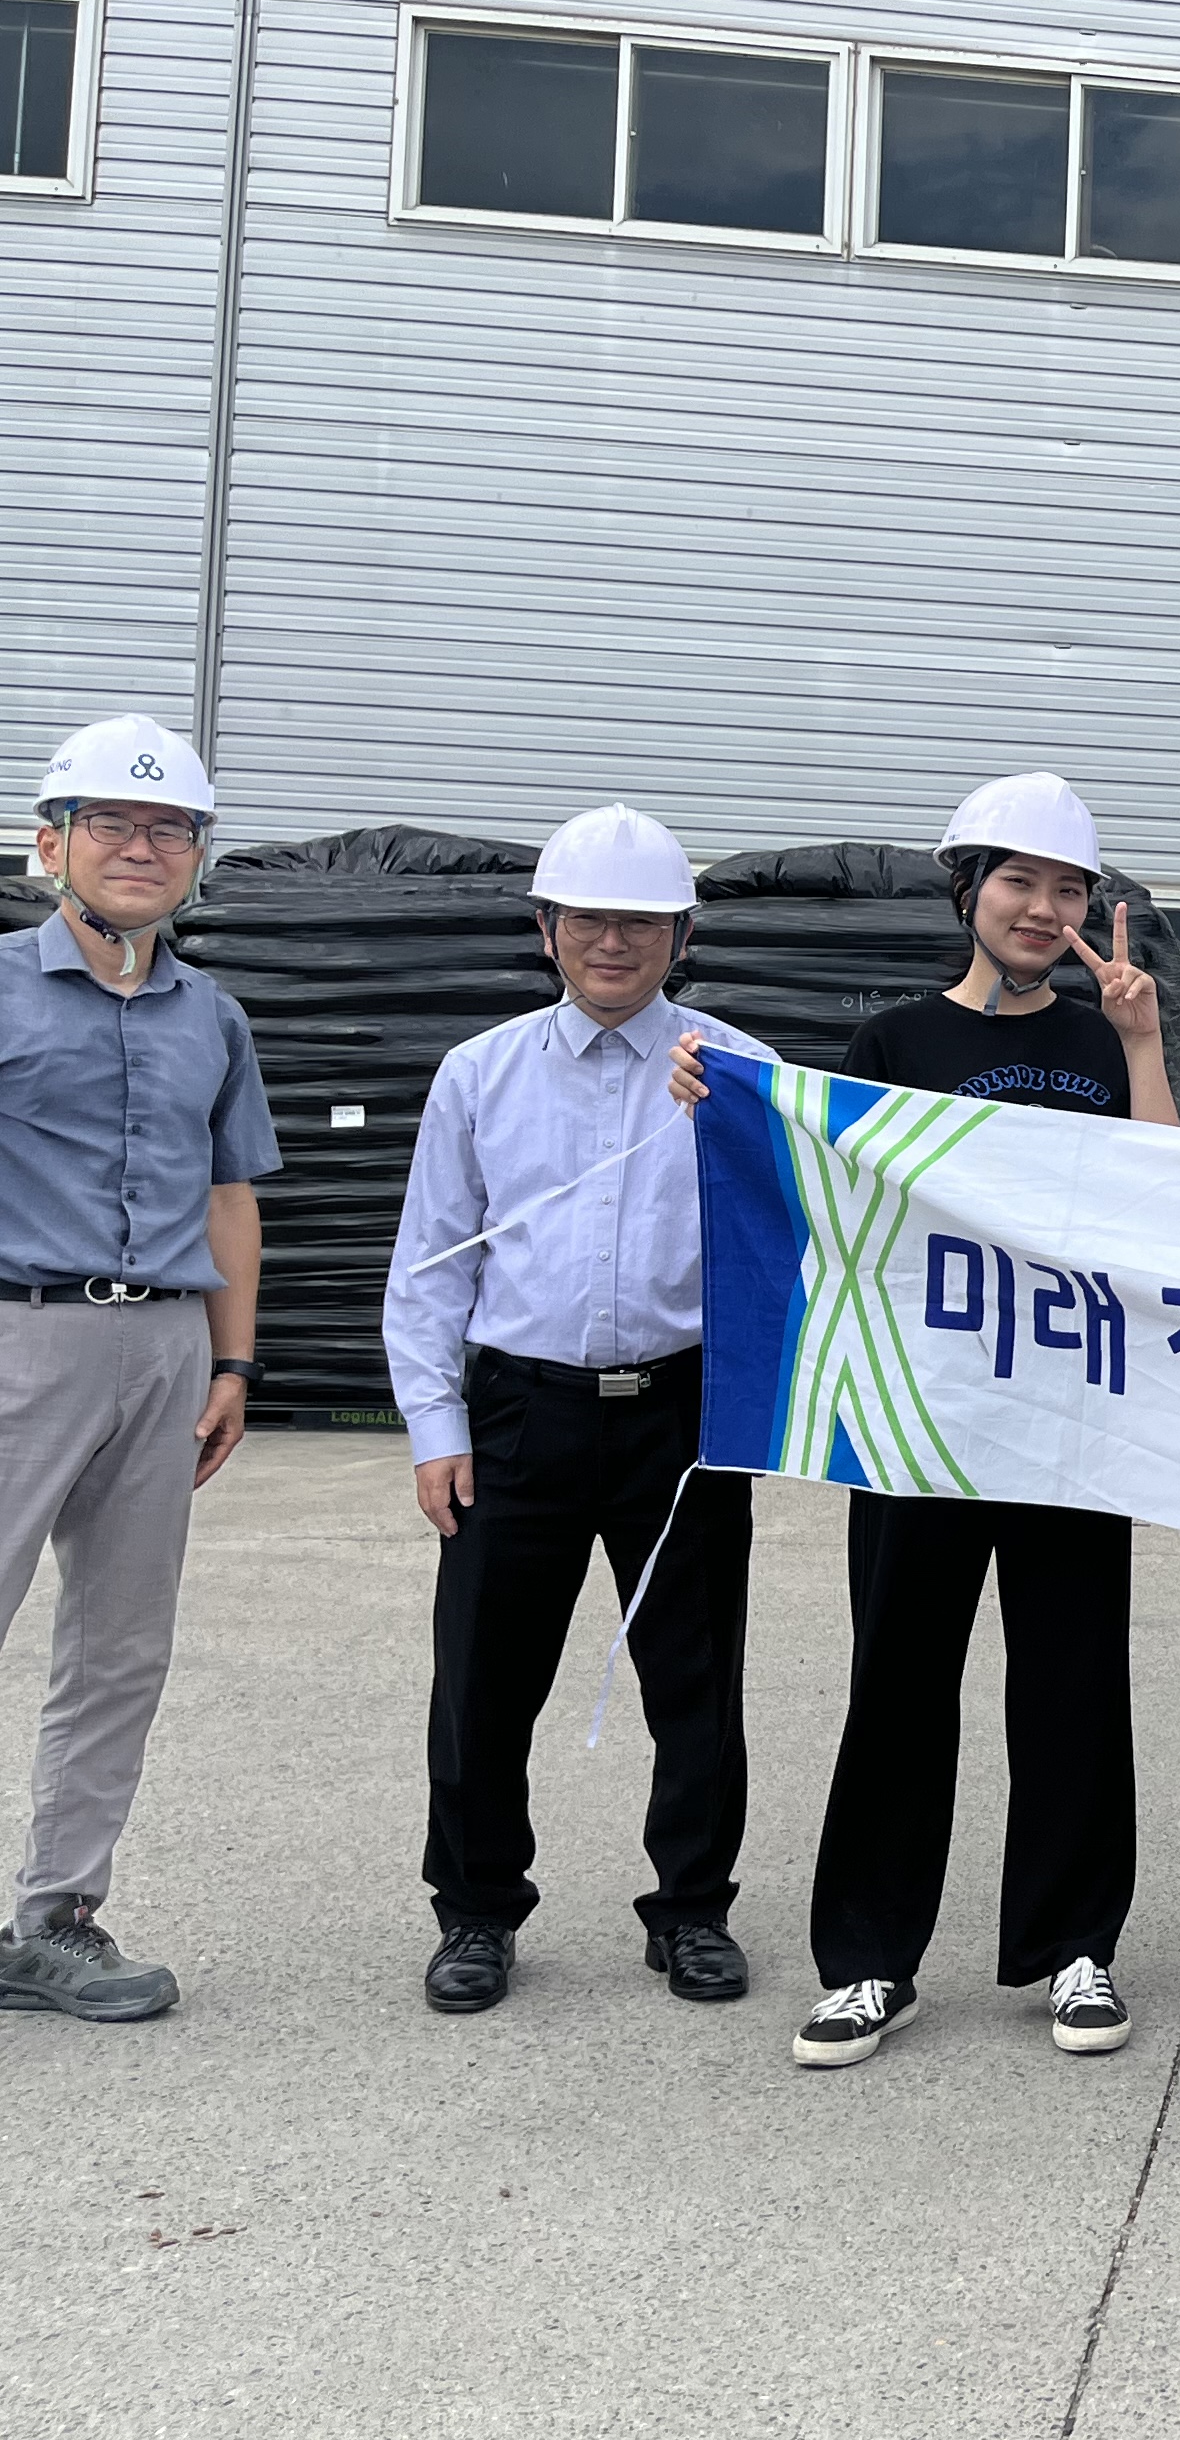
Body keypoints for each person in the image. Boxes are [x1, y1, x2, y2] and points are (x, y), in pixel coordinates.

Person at [676, 773, 1176, 2068]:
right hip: (917, 1423)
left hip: (1072, 1424)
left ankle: (1075, 1950)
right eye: (1019, 883)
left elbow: (1172, 1201)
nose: (1042, 909)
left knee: (1074, 1687)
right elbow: (830, 1202)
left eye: (1067, 890)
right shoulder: (895, 1045)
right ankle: (868, 1961)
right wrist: (725, 1104)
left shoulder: (1103, 1042)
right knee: (898, 1686)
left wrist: (1140, 1042)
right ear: (968, 893)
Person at [385, 805, 764, 2017]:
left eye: (642, 923)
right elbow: (430, 1262)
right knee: (483, 1683)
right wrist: (436, 1427)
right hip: (519, 1414)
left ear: (681, 938)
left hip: (680, 1414)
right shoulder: (480, 1073)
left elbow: (791, 1248)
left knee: (695, 1680)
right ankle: (477, 1911)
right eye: (590, 919)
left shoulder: (733, 1070)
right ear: (546, 929)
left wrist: (738, 1124)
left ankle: (692, 1910)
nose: (614, 943)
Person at [0, 716, 273, 2025]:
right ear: (51, 842)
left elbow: (229, 1196)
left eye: (170, 829)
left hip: (164, 1346)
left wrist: (232, 1361)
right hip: (21, 1335)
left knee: (119, 1649)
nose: (141, 847)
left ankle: (56, 1920)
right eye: (111, 822)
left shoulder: (211, 1018)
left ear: (197, 857)